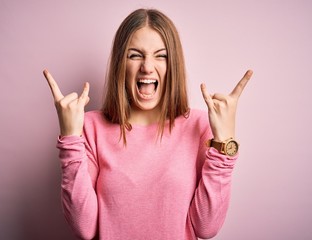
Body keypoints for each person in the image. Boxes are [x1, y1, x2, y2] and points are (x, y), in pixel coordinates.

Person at [43, 8, 252, 240]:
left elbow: (206, 227)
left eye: (160, 55)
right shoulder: (91, 128)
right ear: (120, 64)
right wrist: (70, 139)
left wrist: (224, 142)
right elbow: (85, 228)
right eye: (135, 55)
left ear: (173, 64)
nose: (147, 66)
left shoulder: (199, 125)